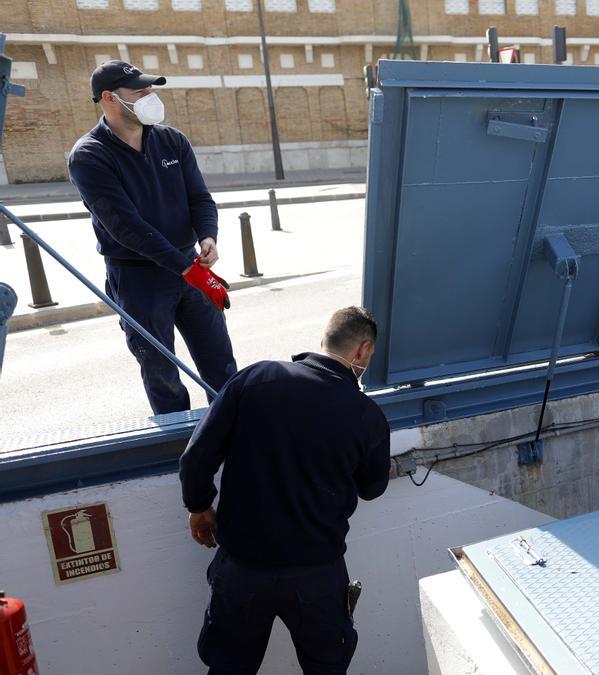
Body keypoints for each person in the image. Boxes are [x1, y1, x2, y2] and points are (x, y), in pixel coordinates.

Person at [179, 306, 391, 675]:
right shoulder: (366, 415)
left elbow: (197, 456)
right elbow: (372, 488)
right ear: (362, 350)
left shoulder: (257, 378)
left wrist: (199, 507)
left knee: (229, 668)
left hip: (242, 567)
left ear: (324, 340)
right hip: (317, 575)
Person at [68, 60, 236, 415]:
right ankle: (179, 449)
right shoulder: (89, 155)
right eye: (140, 91)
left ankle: (233, 439)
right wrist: (186, 268)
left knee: (221, 365)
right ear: (110, 99)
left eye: (150, 89)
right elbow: (125, 226)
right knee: (162, 374)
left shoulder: (172, 141)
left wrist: (208, 235)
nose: (150, 96)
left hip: (189, 264)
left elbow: (200, 198)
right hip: (137, 278)